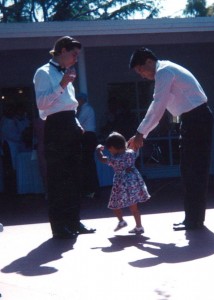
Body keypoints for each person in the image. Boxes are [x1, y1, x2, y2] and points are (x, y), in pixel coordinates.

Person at [128, 47, 213, 231]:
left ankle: (194, 220)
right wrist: (142, 131)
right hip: (193, 119)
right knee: (189, 170)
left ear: (149, 62)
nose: (142, 76)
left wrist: (141, 133)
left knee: (193, 171)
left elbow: (158, 104)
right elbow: (160, 104)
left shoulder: (164, 72)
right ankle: (193, 218)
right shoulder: (166, 69)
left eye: (141, 70)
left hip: (197, 120)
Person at [33, 36, 96, 239]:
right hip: (55, 127)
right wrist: (62, 83)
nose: (76, 58)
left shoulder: (67, 74)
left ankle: (74, 222)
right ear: (61, 51)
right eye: (73, 54)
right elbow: (42, 105)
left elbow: (69, 103)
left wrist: (77, 124)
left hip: (70, 124)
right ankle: (59, 227)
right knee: (58, 179)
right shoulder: (43, 72)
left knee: (74, 177)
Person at [96, 131, 150, 234]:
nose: (109, 151)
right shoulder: (131, 153)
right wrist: (133, 139)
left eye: (110, 149)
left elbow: (102, 159)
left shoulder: (114, 159)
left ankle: (121, 221)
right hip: (133, 184)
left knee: (115, 204)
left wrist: (98, 151)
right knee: (134, 207)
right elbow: (136, 146)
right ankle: (139, 226)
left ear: (113, 147)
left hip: (120, 185)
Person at [76, 92, 99, 199]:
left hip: (88, 136)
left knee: (88, 163)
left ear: (81, 100)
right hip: (89, 136)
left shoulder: (86, 109)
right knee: (88, 163)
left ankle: (92, 189)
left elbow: (78, 123)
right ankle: (91, 189)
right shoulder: (88, 108)